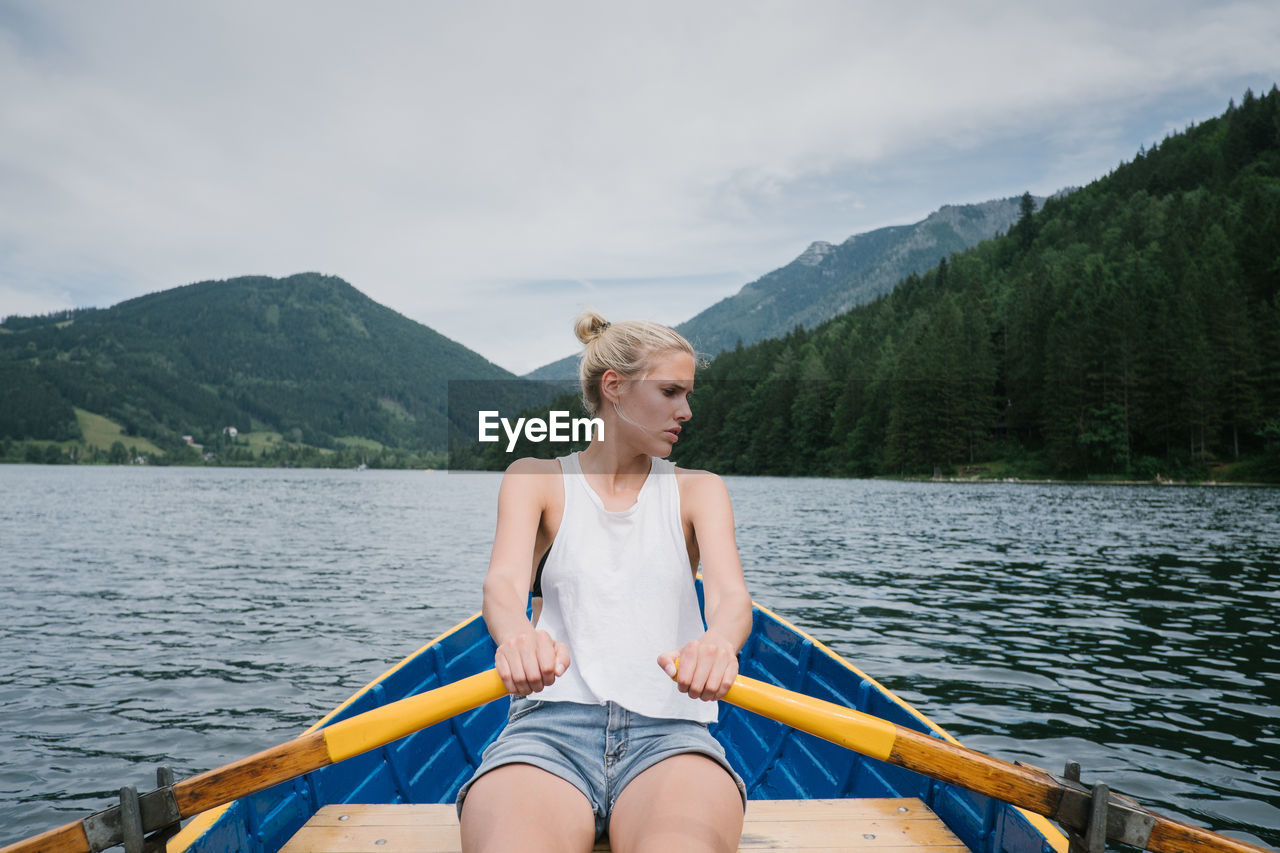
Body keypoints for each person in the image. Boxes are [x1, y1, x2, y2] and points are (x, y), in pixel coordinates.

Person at [457, 311, 753, 853]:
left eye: (687, 394)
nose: (685, 411)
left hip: (670, 736)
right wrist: (517, 636)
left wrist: (718, 641)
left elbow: (732, 599)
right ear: (614, 387)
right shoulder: (534, 479)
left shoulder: (700, 491)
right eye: (670, 392)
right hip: (547, 733)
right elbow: (502, 587)